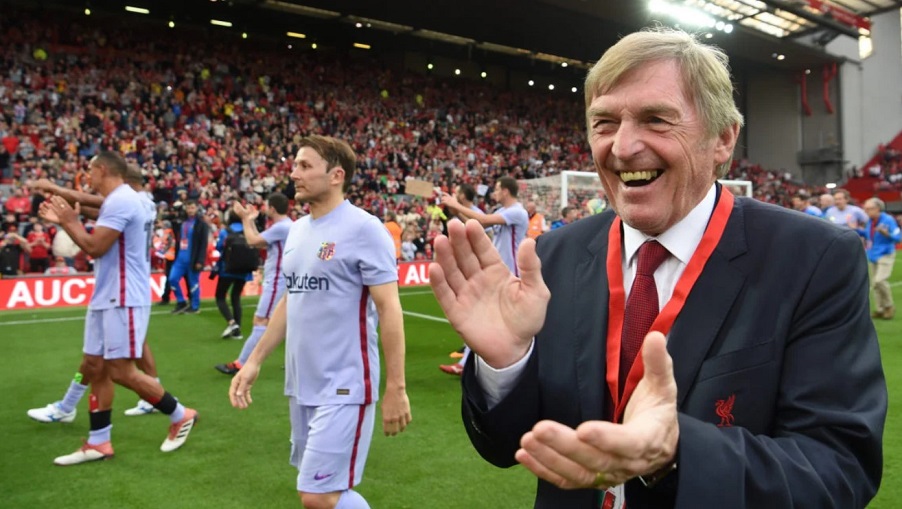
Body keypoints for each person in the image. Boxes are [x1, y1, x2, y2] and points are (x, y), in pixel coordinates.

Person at [429, 28, 885, 508]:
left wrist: (675, 454)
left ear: (723, 139)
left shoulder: (813, 258)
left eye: (656, 120)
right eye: (604, 123)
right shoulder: (553, 257)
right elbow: (507, 446)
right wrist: (506, 365)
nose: (623, 147)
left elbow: (838, 468)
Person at [229, 135, 411, 509]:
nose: (294, 174)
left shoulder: (364, 229)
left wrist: (396, 386)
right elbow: (290, 299)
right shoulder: (298, 230)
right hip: (302, 383)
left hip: (345, 384)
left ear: (336, 175)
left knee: (318, 495)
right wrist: (254, 360)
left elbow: (390, 308)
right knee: (318, 492)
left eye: (305, 165)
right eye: (295, 165)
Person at [36, 151, 198, 465]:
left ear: (101, 169)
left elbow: (95, 247)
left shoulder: (122, 201)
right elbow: (91, 204)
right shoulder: (130, 199)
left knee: (121, 371)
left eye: (89, 170)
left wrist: (69, 221)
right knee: (95, 366)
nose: (87, 176)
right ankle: (99, 442)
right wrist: (63, 200)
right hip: (108, 294)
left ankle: (180, 414)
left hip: (123, 296)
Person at [26, 167, 166, 418]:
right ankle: (69, 408)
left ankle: (173, 409)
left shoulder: (130, 200)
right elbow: (100, 210)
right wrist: (69, 209)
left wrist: (60, 197)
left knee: (118, 368)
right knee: (96, 361)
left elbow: (94, 232)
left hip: (122, 291)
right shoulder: (143, 203)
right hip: (116, 290)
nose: (94, 181)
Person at [440, 179, 527, 375]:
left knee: (507, 322)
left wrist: (456, 205)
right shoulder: (502, 212)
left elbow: (484, 220)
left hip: (511, 274)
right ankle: (467, 363)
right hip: (497, 274)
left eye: (497, 189)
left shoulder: (517, 212)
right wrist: (457, 212)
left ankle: (475, 363)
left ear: (506, 191)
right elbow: (479, 226)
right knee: (486, 317)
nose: (494, 192)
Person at [214, 192, 292, 375]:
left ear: (272, 208)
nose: (265, 208)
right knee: (287, 323)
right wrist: (249, 220)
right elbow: (260, 242)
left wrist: (244, 218)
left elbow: (252, 241)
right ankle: (297, 361)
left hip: (277, 281)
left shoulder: (281, 227)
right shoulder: (285, 225)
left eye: (267, 205)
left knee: (261, 321)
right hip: (282, 278)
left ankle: (241, 364)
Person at [212, 210, 255, 340]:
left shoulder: (225, 231)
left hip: (227, 269)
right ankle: (237, 331)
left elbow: (219, 247)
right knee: (236, 297)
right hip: (244, 269)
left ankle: (232, 322)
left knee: (220, 297)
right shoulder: (248, 230)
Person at [858, 197, 901, 320]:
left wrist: (887, 234)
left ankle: (888, 306)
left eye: (869, 209)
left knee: (879, 281)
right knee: (875, 284)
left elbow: (898, 237)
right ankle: (880, 309)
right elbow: (868, 235)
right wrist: (856, 229)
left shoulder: (888, 220)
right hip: (873, 254)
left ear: (877, 209)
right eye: (865, 209)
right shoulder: (870, 221)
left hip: (885, 253)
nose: (866, 211)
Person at [169, 200, 209, 314]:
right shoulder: (182, 222)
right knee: (172, 279)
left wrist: (200, 260)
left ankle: (195, 306)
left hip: (193, 258)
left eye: (192, 207)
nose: (190, 210)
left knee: (193, 283)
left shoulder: (201, 225)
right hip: (180, 258)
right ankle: (181, 301)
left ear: (196, 209)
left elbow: (203, 244)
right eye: (188, 208)